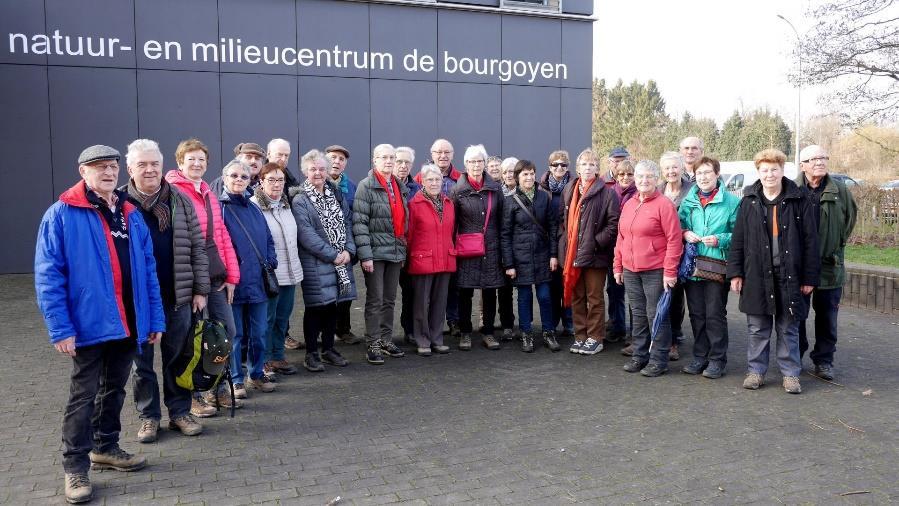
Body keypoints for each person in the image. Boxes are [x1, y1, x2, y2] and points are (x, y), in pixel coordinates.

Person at [35, 145, 165, 504]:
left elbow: (148, 272)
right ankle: (75, 467)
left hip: (129, 323)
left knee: (115, 389)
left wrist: (154, 318)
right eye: (98, 167)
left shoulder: (129, 213)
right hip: (89, 325)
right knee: (83, 396)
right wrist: (60, 328)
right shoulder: (62, 214)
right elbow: (49, 276)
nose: (107, 173)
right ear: (83, 171)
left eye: (112, 166)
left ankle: (105, 447)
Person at [124, 139, 209, 444]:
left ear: (162, 166)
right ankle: (149, 417)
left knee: (179, 357)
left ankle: (179, 411)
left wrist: (201, 289)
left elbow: (198, 247)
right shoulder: (120, 204)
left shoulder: (179, 200)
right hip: (139, 302)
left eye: (154, 164)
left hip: (178, 294)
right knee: (141, 363)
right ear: (130, 168)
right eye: (142, 164)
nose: (149, 169)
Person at [727, 149, 819, 394]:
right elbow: (738, 240)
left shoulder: (799, 200)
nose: (769, 174)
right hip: (757, 275)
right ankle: (756, 371)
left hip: (790, 276)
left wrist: (809, 277)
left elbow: (811, 241)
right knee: (757, 328)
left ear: (782, 170)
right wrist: (735, 273)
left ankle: (790, 375)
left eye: (774, 169)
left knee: (788, 327)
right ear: (758, 172)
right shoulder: (749, 201)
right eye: (764, 170)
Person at [165, 139, 240, 411]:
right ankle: (193, 395)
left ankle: (215, 387)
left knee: (225, 332)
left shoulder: (208, 192)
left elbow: (221, 236)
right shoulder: (172, 193)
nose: (197, 164)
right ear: (180, 163)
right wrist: (196, 285)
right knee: (193, 338)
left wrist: (232, 275)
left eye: (201, 160)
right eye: (191, 159)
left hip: (215, 277)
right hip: (190, 279)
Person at [614, 160, 683, 377]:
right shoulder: (629, 204)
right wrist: (618, 265)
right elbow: (621, 237)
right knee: (638, 314)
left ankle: (659, 359)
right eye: (641, 176)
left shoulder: (664, 205)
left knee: (656, 315)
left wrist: (670, 270)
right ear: (635, 178)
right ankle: (640, 355)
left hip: (655, 269)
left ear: (656, 180)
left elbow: (674, 240)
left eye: (649, 177)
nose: (644, 181)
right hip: (630, 269)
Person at [796, 145, 857, 381]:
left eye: (823, 158)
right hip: (800, 268)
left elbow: (849, 220)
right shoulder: (792, 188)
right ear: (803, 165)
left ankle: (823, 361)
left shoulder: (840, 190)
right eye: (813, 159)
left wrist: (835, 243)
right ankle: (794, 357)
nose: (819, 162)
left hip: (830, 267)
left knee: (828, 318)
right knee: (797, 315)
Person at [292, 149, 355, 371]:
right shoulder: (300, 199)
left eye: (321, 169)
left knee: (333, 307)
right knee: (315, 308)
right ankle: (311, 353)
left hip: (340, 261)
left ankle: (328, 349)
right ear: (305, 171)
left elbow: (347, 221)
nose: (318, 173)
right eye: (312, 169)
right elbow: (306, 234)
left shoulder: (334, 192)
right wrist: (334, 255)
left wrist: (349, 249)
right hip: (315, 262)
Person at [220, 159, 278, 396]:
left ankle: (256, 374)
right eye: (234, 176)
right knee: (235, 335)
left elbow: (268, 238)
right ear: (225, 179)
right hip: (234, 284)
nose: (239, 180)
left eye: (243, 177)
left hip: (259, 282)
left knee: (259, 332)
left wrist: (271, 260)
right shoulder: (220, 208)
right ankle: (236, 379)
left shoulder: (253, 207)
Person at [678, 156, 739, 379]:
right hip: (693, 266)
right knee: (696, 314)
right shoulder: (688, 201)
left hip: (716, 266)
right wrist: (685, 233)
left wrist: (720, 239)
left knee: (714, 314)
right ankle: (699, 356)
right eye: (699, 173)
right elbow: (679, 225)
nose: (703, 177)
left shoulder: (731, 202)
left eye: (707, 173)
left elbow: (740, 235)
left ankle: (717, 360)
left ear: (717, 175)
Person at [559, 149, 620, 355]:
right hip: (573, 254)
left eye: (592, 165)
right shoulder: (569, 189)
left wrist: (593, 243)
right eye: (584, 164)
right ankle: (580, 336)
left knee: (594, 297)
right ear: (577, 168)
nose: (587, 168)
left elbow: (613, 225)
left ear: (597, 169)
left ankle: (595, 337)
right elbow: (562, 221)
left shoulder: (607, 193)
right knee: (577, 297)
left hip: (596, 255)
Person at [353, 144, 410, 365]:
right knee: (375, 299)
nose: (388, 161)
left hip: (395, 252)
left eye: (391, 158)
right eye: (383, 157)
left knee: (390, 299)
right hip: (375, 254)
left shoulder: (398, 186)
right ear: (374, 160)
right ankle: (373, 342)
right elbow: (359, 223)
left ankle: (386, 339)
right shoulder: (366, 186)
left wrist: (402, 248)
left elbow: (403, 222)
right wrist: (365, 256)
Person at [451, 144, 505, 350]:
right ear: (465, 164)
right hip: (467, 249)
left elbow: (501, 220)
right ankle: (465, 333)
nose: (476, 165)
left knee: (490, 291)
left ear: (484, 164)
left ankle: (488, 332)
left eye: (479, 161)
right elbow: (452, 223)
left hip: (491, 248)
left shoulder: (495, 189)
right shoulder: (458, 191)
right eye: (472, 161)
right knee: (465, 291)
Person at [502, 160, 560, 352]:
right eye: (525, 174)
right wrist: (509, 264)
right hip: (520, 258)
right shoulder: (510, 201)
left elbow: (552, 227)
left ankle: (548, 332)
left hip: (543, 255)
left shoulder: (545, 198)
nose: (529, 177)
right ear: (517, 177)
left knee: (545, 296)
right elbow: (505, 234)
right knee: (524, 297)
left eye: (532, 173)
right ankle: (526, 334)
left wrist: (553, 254)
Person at [252, 162, 302, 379]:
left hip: (290, 272)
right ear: (261, 182)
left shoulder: (285, 204)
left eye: (280, 180)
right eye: (270, 179)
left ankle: (278, 355)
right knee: (266, 320)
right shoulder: (254, 206)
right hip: (269, 275)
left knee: (283, 317)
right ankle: (262, 361)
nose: (276, 184)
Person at [406, 164, 456, 356]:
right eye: (430, 180)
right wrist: (410, 257)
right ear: (422, 182)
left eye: (437, 180)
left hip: (445, 259)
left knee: (439, 302)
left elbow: (451, 232)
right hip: (422, 260)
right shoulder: (415, 204)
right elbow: (409, 235)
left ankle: (437, 339)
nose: (434, 183)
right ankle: (423, 340)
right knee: (421, 303)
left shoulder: (449, 203)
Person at [420, 138, 463, 338]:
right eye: (439, 152)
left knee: (451, 285)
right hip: (428, 244)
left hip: (453, 241)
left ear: (453, 154)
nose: (443, 156)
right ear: (432, 154)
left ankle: (453, 320)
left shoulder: (459, 179)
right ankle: (427, 326)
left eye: (447, 152)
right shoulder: (420, 178)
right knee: (427, 290)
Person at [325, 144, 362, 346]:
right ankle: (326, 332)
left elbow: (355, 218)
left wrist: (351, 249)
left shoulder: (352, 188)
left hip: (345, 249)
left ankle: (343, 329)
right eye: (332, 157)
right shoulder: (316, 183)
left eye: (341, 159)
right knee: (326, 293)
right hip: (323, 250)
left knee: (346, 291)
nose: (336, 162)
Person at [658, 151, 694, 361]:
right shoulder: (657, 190)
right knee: (664, 294)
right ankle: (664, 337)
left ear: (681, 168)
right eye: (667, 168)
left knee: (677, 295)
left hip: (685, 251)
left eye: (674, 167)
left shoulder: (692, 191)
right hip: (661, 250)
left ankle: (673, 340)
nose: (671, 171)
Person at [538, 151, 574, 337]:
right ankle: (551, 322)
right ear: (549, 166)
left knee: (568, 283)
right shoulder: (541, 189)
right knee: (552, 285)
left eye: (563, 165)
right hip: (548, 243)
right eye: (555, 165)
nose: (559, 168)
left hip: (569, 242)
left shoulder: (575, 186)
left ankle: (569, 322)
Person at [482, 156, 518, 342]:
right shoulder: (495, 192)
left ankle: (507, 325)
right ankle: (487, 325)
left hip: (513, 247)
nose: (508, 174)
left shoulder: (524, 192)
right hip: (493, 245)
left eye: (512, 171)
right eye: (505, 172)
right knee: (489, 288)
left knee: (506, 290)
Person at [395, 146, 421, 345]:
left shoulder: (417, 190)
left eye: (407, 162)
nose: (403, 166)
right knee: (382, 296)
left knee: (411, 292)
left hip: (410, 250)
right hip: (386, 248)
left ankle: (410, 329)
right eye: (399, 161)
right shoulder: (382, 186)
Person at [609, 159, 636, 351]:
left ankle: (635, 333)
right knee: (614, 290)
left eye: (629, 174)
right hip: (614, 249)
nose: (625, 178)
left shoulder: (638, 194)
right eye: (621, 174)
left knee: (634, 296)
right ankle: (617, 326)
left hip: (634, 250)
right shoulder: (611, 193)